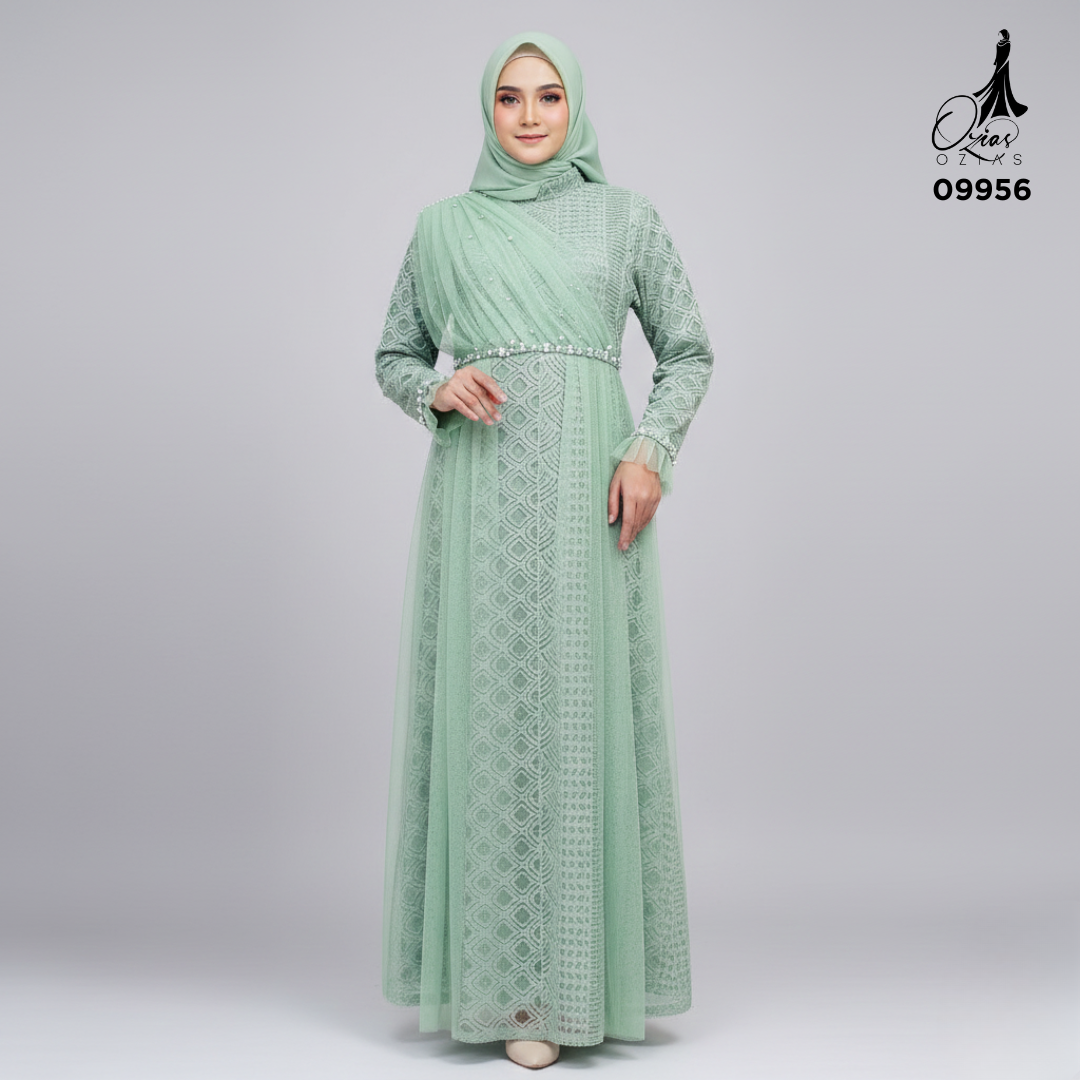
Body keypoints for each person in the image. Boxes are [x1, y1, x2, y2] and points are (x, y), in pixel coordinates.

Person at [375, 31, 713, 1069]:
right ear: (488, 110)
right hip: (478, 498)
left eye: (549, 96)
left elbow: (688, 351)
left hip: (586, 496)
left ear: (575, 108)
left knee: (579, 717)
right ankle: (509, 985)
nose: (530, 116)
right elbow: (393, 353)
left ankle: (582, 976)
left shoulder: (626, 217)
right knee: (492, 716)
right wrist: (435, 386)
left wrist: (650, 451)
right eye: (511, 98)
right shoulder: (441, 228)